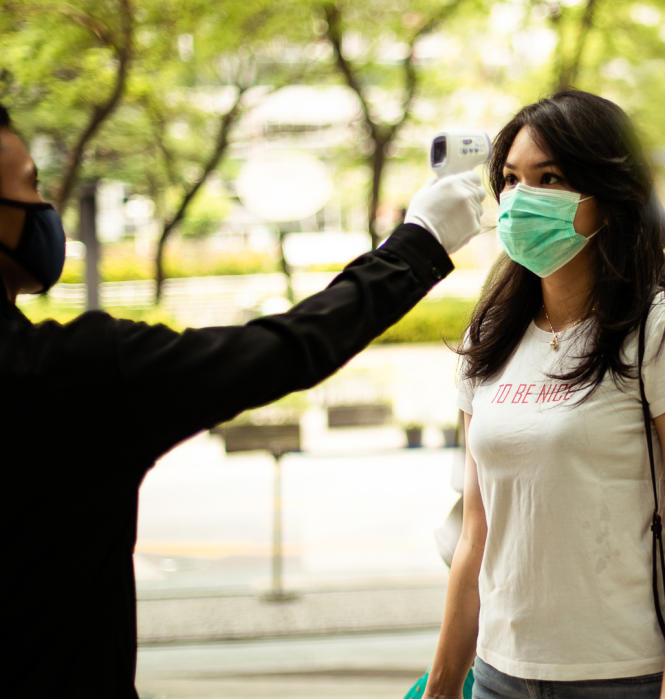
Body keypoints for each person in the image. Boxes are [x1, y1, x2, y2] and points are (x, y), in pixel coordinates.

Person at [0, 102, 486, 697]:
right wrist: (420, 245)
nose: (45, 208)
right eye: (29, 187)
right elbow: (285, 348)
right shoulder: (75, 373)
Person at [424, 90, 665, 699]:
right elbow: (475, 534)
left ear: (610, 200)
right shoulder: (490, 335)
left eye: (551, 177)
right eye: (510, 179)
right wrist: (440, 687)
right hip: (496, 675)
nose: (520, 198)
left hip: (621, 678)